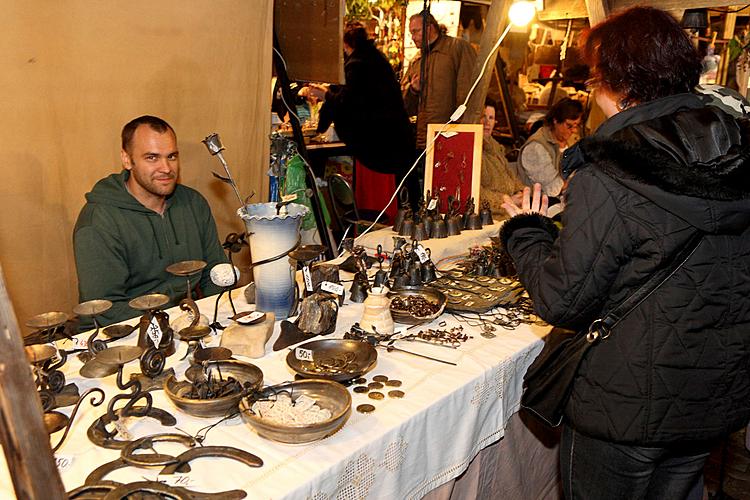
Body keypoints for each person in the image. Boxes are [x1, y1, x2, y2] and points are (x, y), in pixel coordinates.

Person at [500, 7, 750, 499]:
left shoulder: (613, 167)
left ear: (615, 84)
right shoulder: (738, 147)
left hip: (626, 404)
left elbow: (563, 301)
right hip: (711, 396)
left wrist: (524, 231)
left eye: (594, 82)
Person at [74, 115, 228, 326]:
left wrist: (218, 318)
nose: (166, 168)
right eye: (152, 158)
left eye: (172, 156)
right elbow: (104, 311)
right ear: (127, 159)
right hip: (124, 333)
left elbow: (215, 275)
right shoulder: (99, 220)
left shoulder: (193, 203)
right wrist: (172, 322)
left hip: (189, 320)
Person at [312, 22, 417, 209]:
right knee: (401, 197)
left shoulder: (357, 65)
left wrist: (325, 95)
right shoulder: (375, 59)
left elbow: (349, 102)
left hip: (378, 146)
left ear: (345, 44)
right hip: (395, 140)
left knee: (381, 202)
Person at [402, 10, 477, 152]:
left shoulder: (457, 49)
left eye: (416, 31)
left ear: (429, 28)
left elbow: (468, 94)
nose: (413, 37)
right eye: (411, 33)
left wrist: (461, 132)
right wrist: (413, 90)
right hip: (423, 141)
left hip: (450, 139)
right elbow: (405, 106)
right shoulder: (417, 61)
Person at [517, 97, 582, 198]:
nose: (574, 130)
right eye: (569, 125)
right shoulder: (535, 148)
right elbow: (554, 188)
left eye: (576, 125)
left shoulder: (572, 140)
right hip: (542, 204)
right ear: (555, 120)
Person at [479, 99, 524, 215]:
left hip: (509, 209)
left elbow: (510, 176)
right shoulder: (472, 149)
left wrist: (521, 192)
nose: (487, 123)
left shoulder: (496, 147)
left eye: (491, 118)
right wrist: (506, 201)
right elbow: (475, 193)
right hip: (489, 215)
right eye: (483, 117)